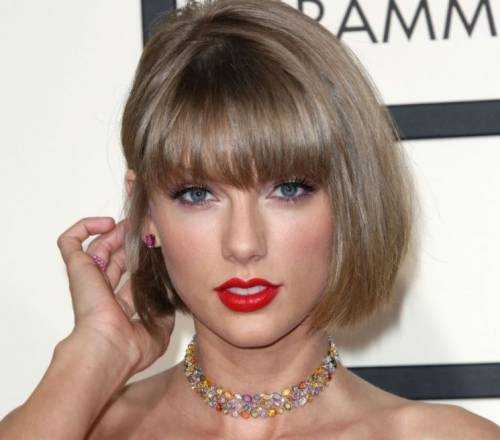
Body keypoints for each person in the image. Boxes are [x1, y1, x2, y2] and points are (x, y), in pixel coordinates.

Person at [1, 0, 499, 438]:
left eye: (288, 189)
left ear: (351, 201)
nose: (243, 244)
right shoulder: (77, 426)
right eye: (197, 194)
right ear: (145, 211)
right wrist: (94, 354)